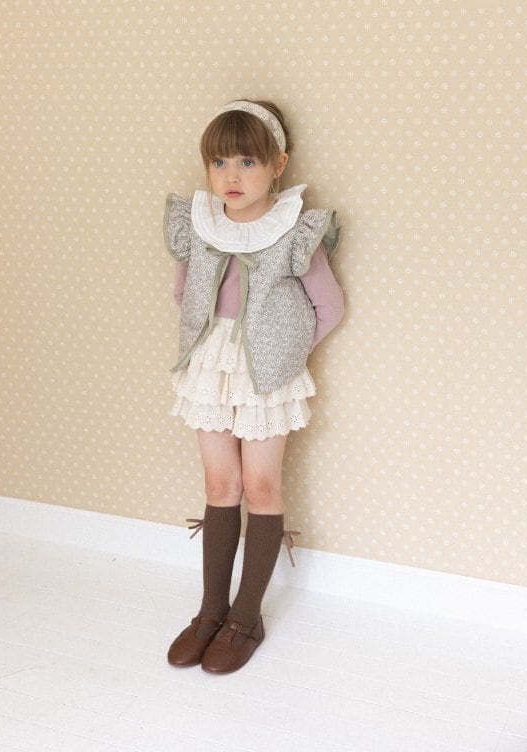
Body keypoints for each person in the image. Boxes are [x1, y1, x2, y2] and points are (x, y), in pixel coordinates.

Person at [163, 99, 344, 674]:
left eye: (247, 161)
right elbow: (184, 292)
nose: (231, 176)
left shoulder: (293, 230)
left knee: (262, 487)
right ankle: (210, 612)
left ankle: (246, 617)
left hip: (268, 375)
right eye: (219, 162)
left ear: (277, 165)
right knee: (221, 483)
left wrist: (280, 354)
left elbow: (329, 307)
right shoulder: (199, 225)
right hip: (211, 366)